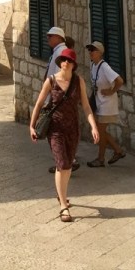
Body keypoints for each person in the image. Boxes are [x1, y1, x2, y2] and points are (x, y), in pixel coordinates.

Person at [29, 47, 98, 222]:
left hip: (73, 128)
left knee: (68, 164)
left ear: (74, 64)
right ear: (60, 63)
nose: (65, 63)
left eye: (69, 61)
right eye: (63, 60)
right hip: (55, 128)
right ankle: (63, 207)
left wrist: (93, 127)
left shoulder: (78, 81)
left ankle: (62, 195)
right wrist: (31, 126)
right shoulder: (51, 81)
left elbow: (86, 107)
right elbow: (38, 104)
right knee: (62, 164)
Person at [44, 27, 79, 173]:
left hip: (57, 100)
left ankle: (65, 162)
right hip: (56, 98)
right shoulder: (58, 52)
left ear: (58, 37)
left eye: (50, 36)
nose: (48, 39)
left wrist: (50, 98)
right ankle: (65, 161)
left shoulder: (60, 52)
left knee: (54, 131)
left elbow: (59, 76)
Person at [85, 41, 126, 166]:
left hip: (107, 104)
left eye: (93, 50)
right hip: (100, 103)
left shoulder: (104, 67)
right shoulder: (93, 65)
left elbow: (119, 80)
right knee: (100, 130)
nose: (90, 52)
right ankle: (118, 150)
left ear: (100, 53)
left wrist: (111, 91)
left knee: (100, 131)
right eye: (90, 50)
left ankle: (101, 159)